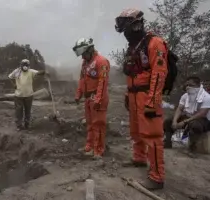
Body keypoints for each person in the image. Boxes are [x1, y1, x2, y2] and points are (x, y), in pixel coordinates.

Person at [115, 8, 168, 190]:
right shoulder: (134, 47)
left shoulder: (155, 43)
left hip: (147, 95)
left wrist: (152, 102)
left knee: (151, 136)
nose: (125, 34)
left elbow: (159, 74)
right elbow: (132, 73)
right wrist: (127, 94)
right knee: (136, 131)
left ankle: (157, 177)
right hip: (134, 94)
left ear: (136, 25)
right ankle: (139, 158)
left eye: (126, 30)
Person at [73, 38, 110, 160]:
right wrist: (78, 94)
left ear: (89, 50)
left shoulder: (101, 61)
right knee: (89, 124)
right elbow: (82, 80)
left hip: (98, 97)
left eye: (83, 53)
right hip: (88, 97)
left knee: (98, 124)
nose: (82, 57)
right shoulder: (85, 63)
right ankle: (89, 146)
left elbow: (102, 82)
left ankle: (98, 150)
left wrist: (98, 99)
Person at [164, 76, 210, 150]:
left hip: (203, 120)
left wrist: (185, 122)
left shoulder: (207, 97)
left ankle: (193, 145)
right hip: (188, 116)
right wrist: (175, 121)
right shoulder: (185, 96)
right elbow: (179, 109)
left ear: (198, 85)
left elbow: (202, 113)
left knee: (195, 125)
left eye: (190, 85)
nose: (188, 87)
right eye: (187, 85)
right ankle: (168, 142)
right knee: (168, 121)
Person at [8, 59, 47, 131]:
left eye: (26, 65)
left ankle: (27, 125)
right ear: (21, 65)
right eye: (24, 65)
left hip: (29, 95)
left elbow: (38, 73)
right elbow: (10, 77)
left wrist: (44, 72)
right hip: (18, 95)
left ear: (28, 66)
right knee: (18, 111)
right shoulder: (16, 71)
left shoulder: (31, 71)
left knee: (27, 111)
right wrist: (14, 84)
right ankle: (19, 125)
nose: (25, 66)